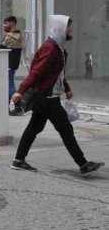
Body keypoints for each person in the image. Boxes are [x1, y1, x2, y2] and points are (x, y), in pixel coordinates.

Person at [11, 15, 104, 175]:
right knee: (64, 129)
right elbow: (36, 71)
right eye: (68, 27)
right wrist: (20, 90)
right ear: (60, 29)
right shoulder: (50, 49)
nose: (70, 30)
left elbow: (57, 73)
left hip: (49, 98)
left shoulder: (57, 48)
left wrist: (66, 88)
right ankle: (82, 164)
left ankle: (19, 160)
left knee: (36, 128)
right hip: (46, 99)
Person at [1, 16, 24, 116]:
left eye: (6, 23)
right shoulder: (17, 35)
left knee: (10, 85)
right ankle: (5, 107)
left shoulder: (11, 36)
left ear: (13, 24)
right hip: (12, 63)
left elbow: (1, 48)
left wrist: (4, 38)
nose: (4, 25)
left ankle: (19, 106)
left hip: (8, 63)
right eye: (4, 23)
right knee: (7, 85)